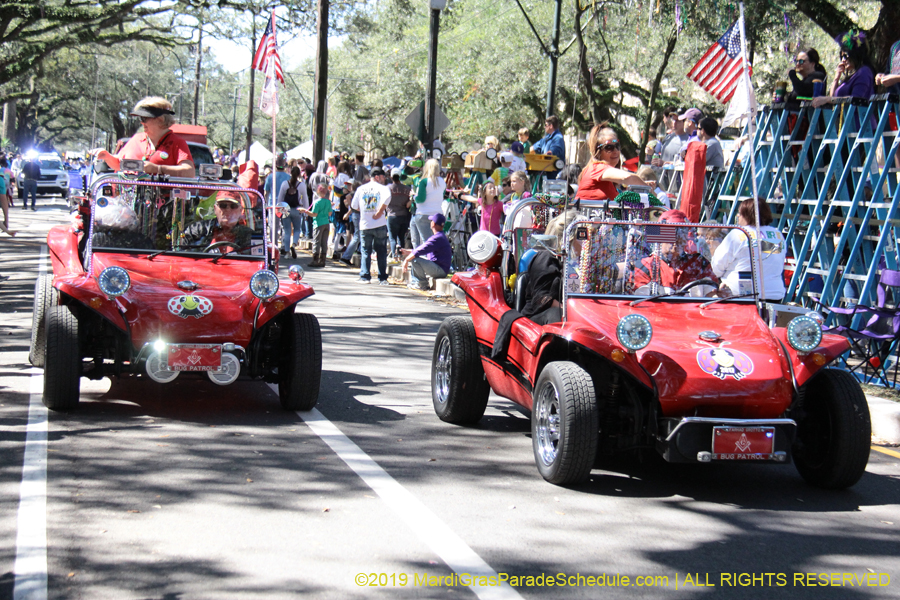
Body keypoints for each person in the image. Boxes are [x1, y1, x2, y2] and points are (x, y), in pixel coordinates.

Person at [95, 97, 195, 178]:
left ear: (160, 119)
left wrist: (158, 169)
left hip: (164, 200)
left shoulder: (177, 143)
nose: (141, 122)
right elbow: (119, 164)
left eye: (144, 118)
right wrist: (107, 157)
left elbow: (189, 172)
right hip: (131, 199)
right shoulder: (136, 139)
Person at [712, 199, 786, 301]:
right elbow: (771, 257)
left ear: (748, 215)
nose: (737, 216)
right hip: (774, 294)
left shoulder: (738, 234)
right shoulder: (777, 235)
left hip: (739, 295)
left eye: (740, 213)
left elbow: (717, 265)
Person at [631, 209, 717, 293]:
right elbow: (642, 303)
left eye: (682, 232)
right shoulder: (645, 267)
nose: (678, 238)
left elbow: (713, 296)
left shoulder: (699, 263)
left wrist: (721, 293)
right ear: (660, 236)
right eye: (672, 232)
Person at [576, 123, 647, 202]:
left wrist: (643, 184)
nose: (616, 151)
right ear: (598, 152)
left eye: (617, 146)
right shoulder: (596, 168)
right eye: (609, 147)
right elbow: (627, 177)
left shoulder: (605, 178)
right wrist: (648, 188)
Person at [812, 31, 875, 107]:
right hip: (846, 118)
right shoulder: (851, 76)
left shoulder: (864, 72)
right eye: (842, 57)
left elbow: (855, 99)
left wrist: (827, 99)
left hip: (859, 118)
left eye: (846, 56)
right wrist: (836, 78)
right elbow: (833, 97)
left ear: (855, 55)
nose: (843, 60)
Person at [351, 167, 391, 284]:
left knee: (365, 251)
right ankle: (382, 277)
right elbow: (388, 198)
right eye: (383, 177)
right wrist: (379, 212)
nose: (384, 179)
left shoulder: (361, 189)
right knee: (381, 251)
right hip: (379, 224)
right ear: (377, 177)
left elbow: (354, 205)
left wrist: (364, 210)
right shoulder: (383, 189)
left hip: (365, 224)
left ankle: (365, 275)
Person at [182, 191, 253, 251]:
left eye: (233, 206)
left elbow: (254, 260)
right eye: (223, 205)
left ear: (240, 210)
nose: (228, 210)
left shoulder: (248, 235)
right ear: (215, 209)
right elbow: (182, 253)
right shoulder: (197, 229)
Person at [400, 213, 451, 291]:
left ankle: (422, 284)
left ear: (433, 224)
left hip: (440, 270)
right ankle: (417, 282)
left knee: (415, 260)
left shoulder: (437, 238)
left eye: (431, 221)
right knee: (415, 256)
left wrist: (406, 260)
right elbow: (421, 249)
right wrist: (406, 252)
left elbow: (419, 251)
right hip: (439, 267)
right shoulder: (440, 236)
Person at [410, 158, 445, 249]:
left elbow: (420, 199)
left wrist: (414, 197)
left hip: (423, 214)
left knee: (426, 242)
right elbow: (441, 195)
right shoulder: (442, 182)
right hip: (437, 215)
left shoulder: (424, 181)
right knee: (434, 241)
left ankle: (418, 257)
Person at [278, 166, 308, 257]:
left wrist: (279, 210)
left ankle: (287, 252)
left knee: (287, 231)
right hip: (297, 209)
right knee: (297, 229)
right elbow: (305, 199)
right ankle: (294, 244)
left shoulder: (284, 184)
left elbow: (280, 198)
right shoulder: (302, 185)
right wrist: (306, 211)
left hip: (286, 209)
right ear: (299, 174)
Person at [302, 184, 333, 267]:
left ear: (318, 191)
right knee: (324, 242)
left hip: (318, 223)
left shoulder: (316, 202)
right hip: (326, 223)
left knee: (316, 242)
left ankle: (315, 260)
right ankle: (322, 260)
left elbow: (314, 214)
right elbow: (330, 213)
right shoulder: (328, 202)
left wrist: (305, 211)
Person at [385, 167, 411, 261]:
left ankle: (394, 256)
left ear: (391, 177)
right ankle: (400, 255)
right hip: (403, 215)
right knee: (401, 237)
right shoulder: (407, 189)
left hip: (391, 215)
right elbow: (409, 203)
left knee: (392, 238)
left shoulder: (387, 189)